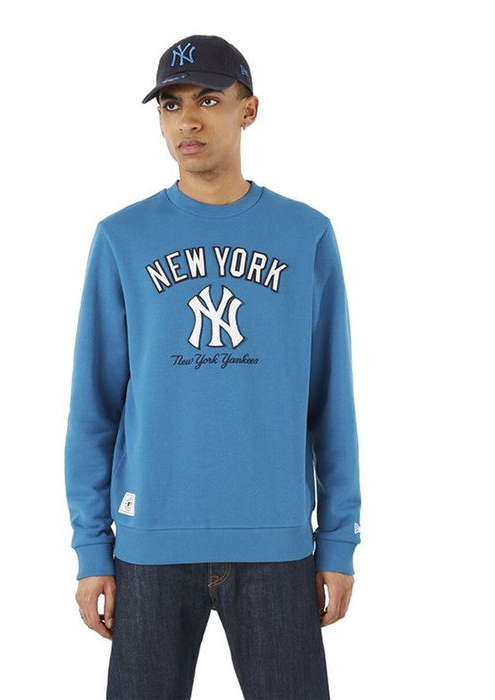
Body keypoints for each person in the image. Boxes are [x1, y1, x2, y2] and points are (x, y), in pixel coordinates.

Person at [64, 34, 362, 700]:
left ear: (248, 109)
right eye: (170, 105)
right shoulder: (122, 238)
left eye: (208, 100)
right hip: (148, 543)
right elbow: (95, 407)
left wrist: (338, 541)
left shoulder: (305, 234)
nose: (188, 121)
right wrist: (91, 549)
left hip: (277, 546)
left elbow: (330, 400)